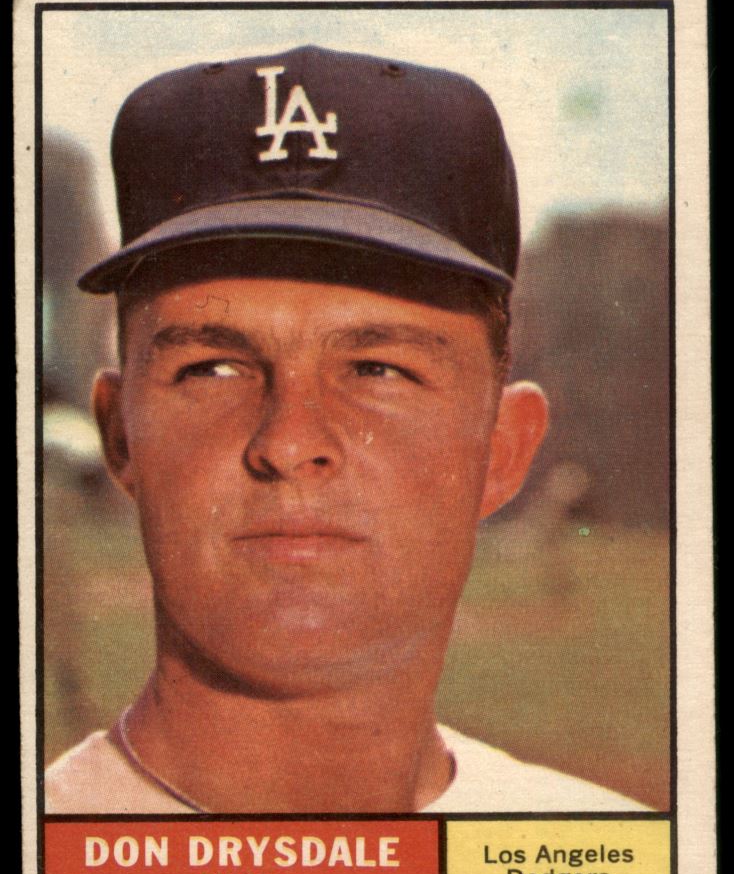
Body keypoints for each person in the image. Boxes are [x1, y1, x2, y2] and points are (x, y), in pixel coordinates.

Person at [45, 45, 646, 813]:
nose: (290, 443)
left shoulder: (604, 857)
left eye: (377, 369)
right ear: (120, 435)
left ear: (502, 449)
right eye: (212, 369)